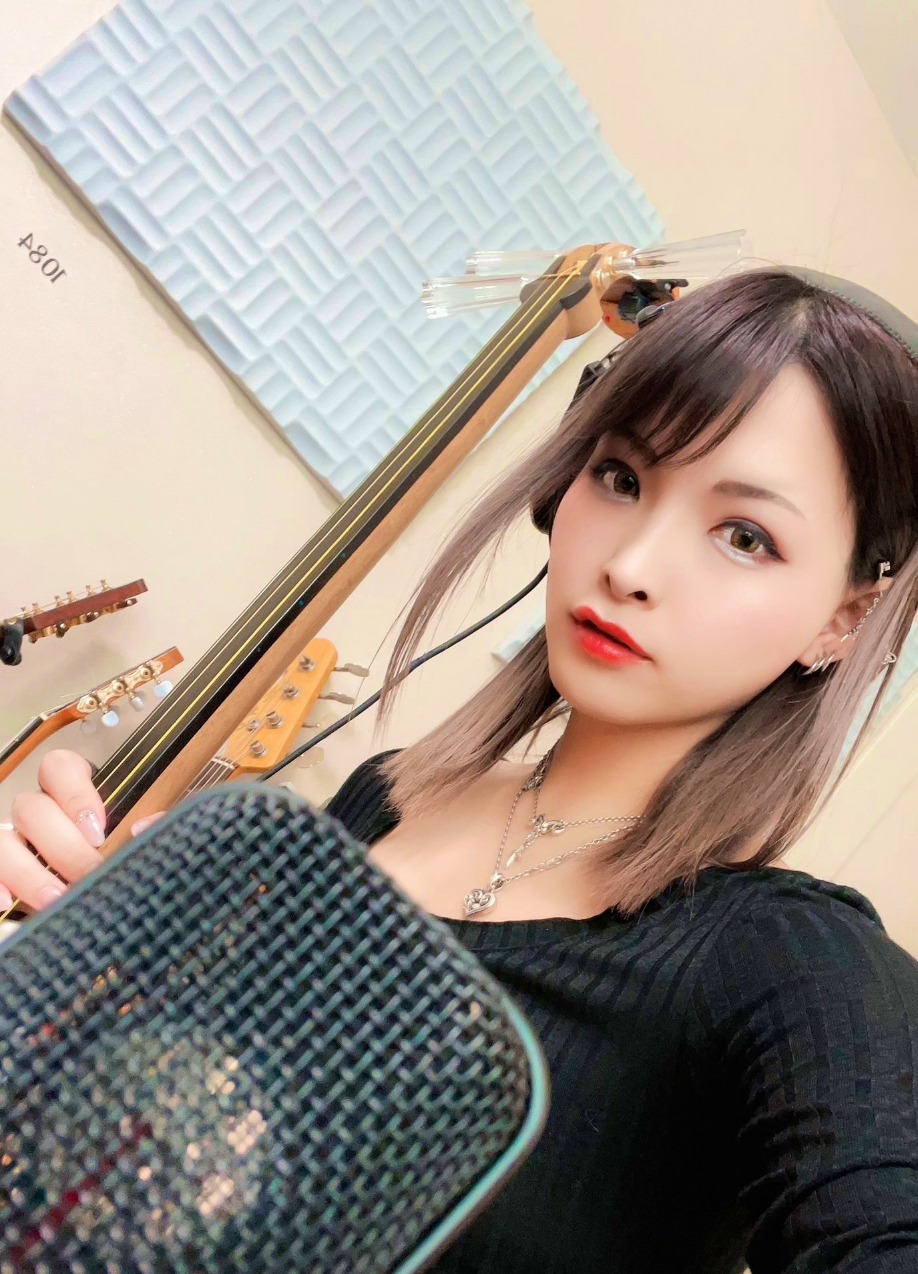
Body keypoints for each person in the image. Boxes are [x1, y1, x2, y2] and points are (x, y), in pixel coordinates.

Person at [1, 267, 917, 1273]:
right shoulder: (381, 800)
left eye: (745, 537)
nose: (631, 565)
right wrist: (101, 970)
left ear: (844, 618)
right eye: (621, 477)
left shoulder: (793, 965)